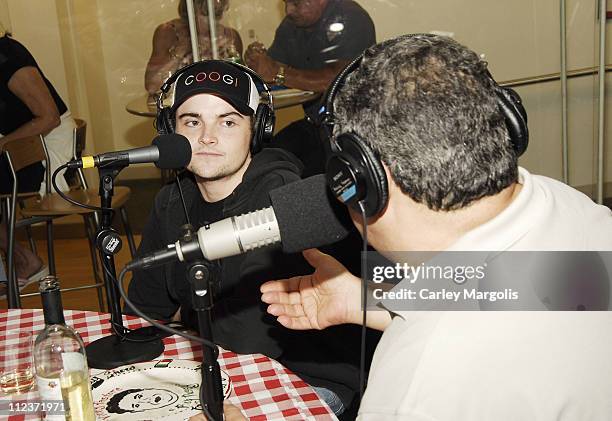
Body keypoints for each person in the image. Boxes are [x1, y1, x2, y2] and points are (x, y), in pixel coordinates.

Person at [260, 34, 612, 420]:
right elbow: (529, 287)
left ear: (370, 182)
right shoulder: (564, 205)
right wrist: (366, 300)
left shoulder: (422, 379)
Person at [127, 60, 367, 416]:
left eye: (227, 121)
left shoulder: (278, 198)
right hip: (220, 363)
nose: (207, 136)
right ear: (170, 131)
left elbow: (248, 338)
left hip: (308, 377)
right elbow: (146, 309)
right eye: (192, 122)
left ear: (257, 130)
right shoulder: (172, 201)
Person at [245, 0, 375, 177]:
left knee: (303, 180)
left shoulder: (351, 19)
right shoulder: (291, 25)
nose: (288, 10)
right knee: (264, 160)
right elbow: (272, 69)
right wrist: (257, 62)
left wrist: (277, 72)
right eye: (286, 3)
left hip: (354, 130)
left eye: (296, 3)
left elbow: (337, 78)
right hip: (315, 124)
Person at [0, 27, 76, 292]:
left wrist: (2, 143)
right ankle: (13, 265)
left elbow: (49, 117)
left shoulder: (7, 57)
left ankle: (22, 261)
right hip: (27, 146)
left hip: (47, 150)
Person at [145, 0, 243, 95]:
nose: (210, 21)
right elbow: (152, 86)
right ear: (190, 9)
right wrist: (181, 50)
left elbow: (241, 84)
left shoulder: (229, 36)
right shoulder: (169, 32)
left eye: (216, 14)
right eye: (205, 13)